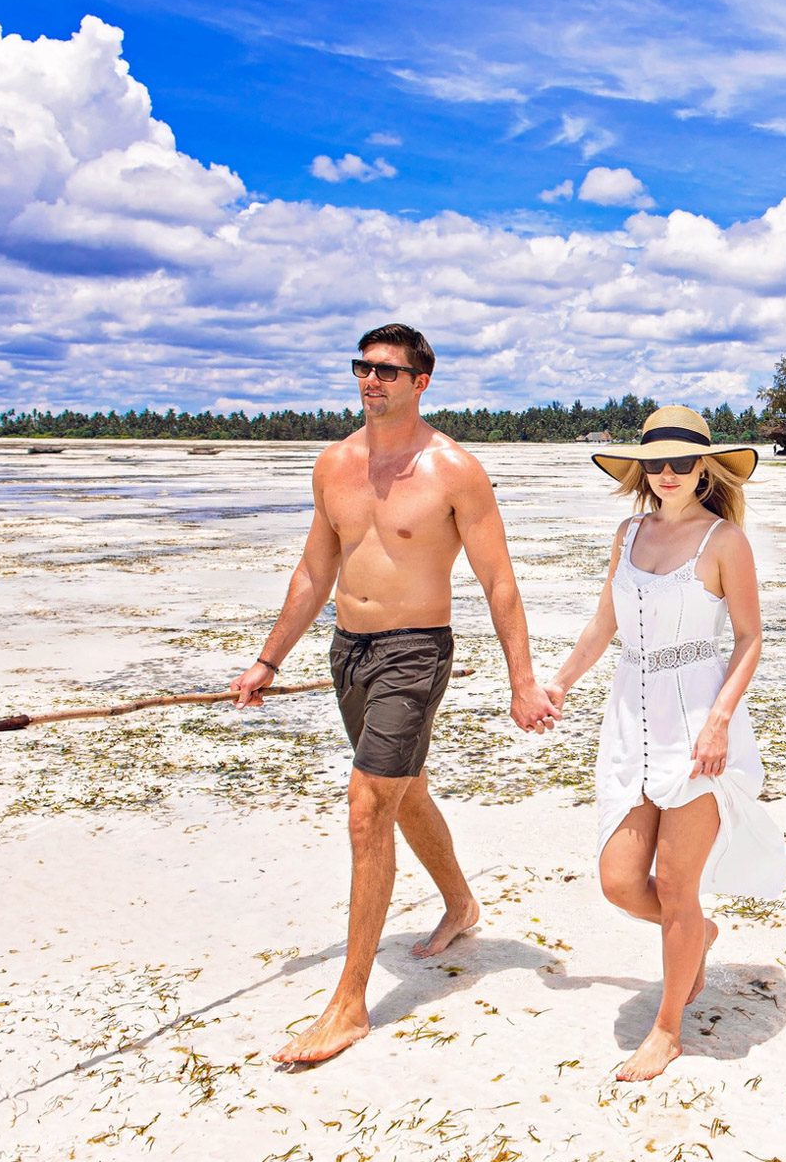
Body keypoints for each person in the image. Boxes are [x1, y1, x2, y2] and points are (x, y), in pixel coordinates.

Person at [229, 322, 558, 1065]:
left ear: (420, 382)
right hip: (349, 652)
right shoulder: (334, 465)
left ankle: (348, 1004)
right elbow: (315, 572)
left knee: (368, 803)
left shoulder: (454, 470)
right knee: (403, 793)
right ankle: (462, 904)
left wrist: (522, 679)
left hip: (415, 651)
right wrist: (268, 660)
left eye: (387, 371)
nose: (371, 381)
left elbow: (498, 580)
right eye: (362, 368)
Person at [544, 406, 786, 1081]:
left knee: (679, 886)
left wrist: (718, 722)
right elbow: (605, 623)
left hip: (697, 720)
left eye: (683, 461)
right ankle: (698, 937)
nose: (670, 473)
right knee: (621, 880)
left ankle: (668, 1028)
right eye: (657, 462)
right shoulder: (628, 533)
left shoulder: (724, 542)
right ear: (643, 468)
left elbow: (749, 637)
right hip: (630, 713)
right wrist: (560, 681)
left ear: (705, 466)